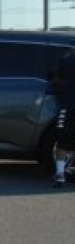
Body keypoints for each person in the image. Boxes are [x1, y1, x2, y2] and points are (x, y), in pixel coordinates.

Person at [48, 48, 75, 187]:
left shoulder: (65, 59)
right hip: (69, 104)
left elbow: (54, 79)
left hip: (68, 106)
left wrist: (61, 84)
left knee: (63, 140)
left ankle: (60, 174)